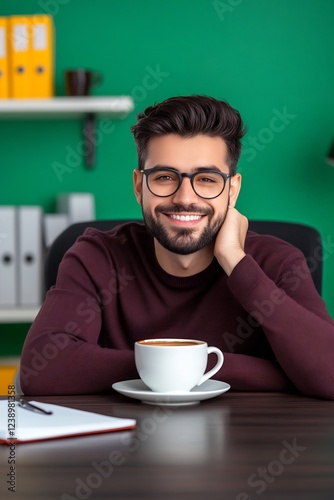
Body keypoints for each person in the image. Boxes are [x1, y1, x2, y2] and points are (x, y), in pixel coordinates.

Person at [20, 95, 334, 399]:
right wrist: (264, 373)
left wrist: (238, 265)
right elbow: (42, 370)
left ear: (232, 190)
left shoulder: (277, 262)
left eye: (207, 179)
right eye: (165, 177)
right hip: (124, 444)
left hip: (247, 445)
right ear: (139, 186)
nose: (185, 197)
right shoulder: (97, 256)